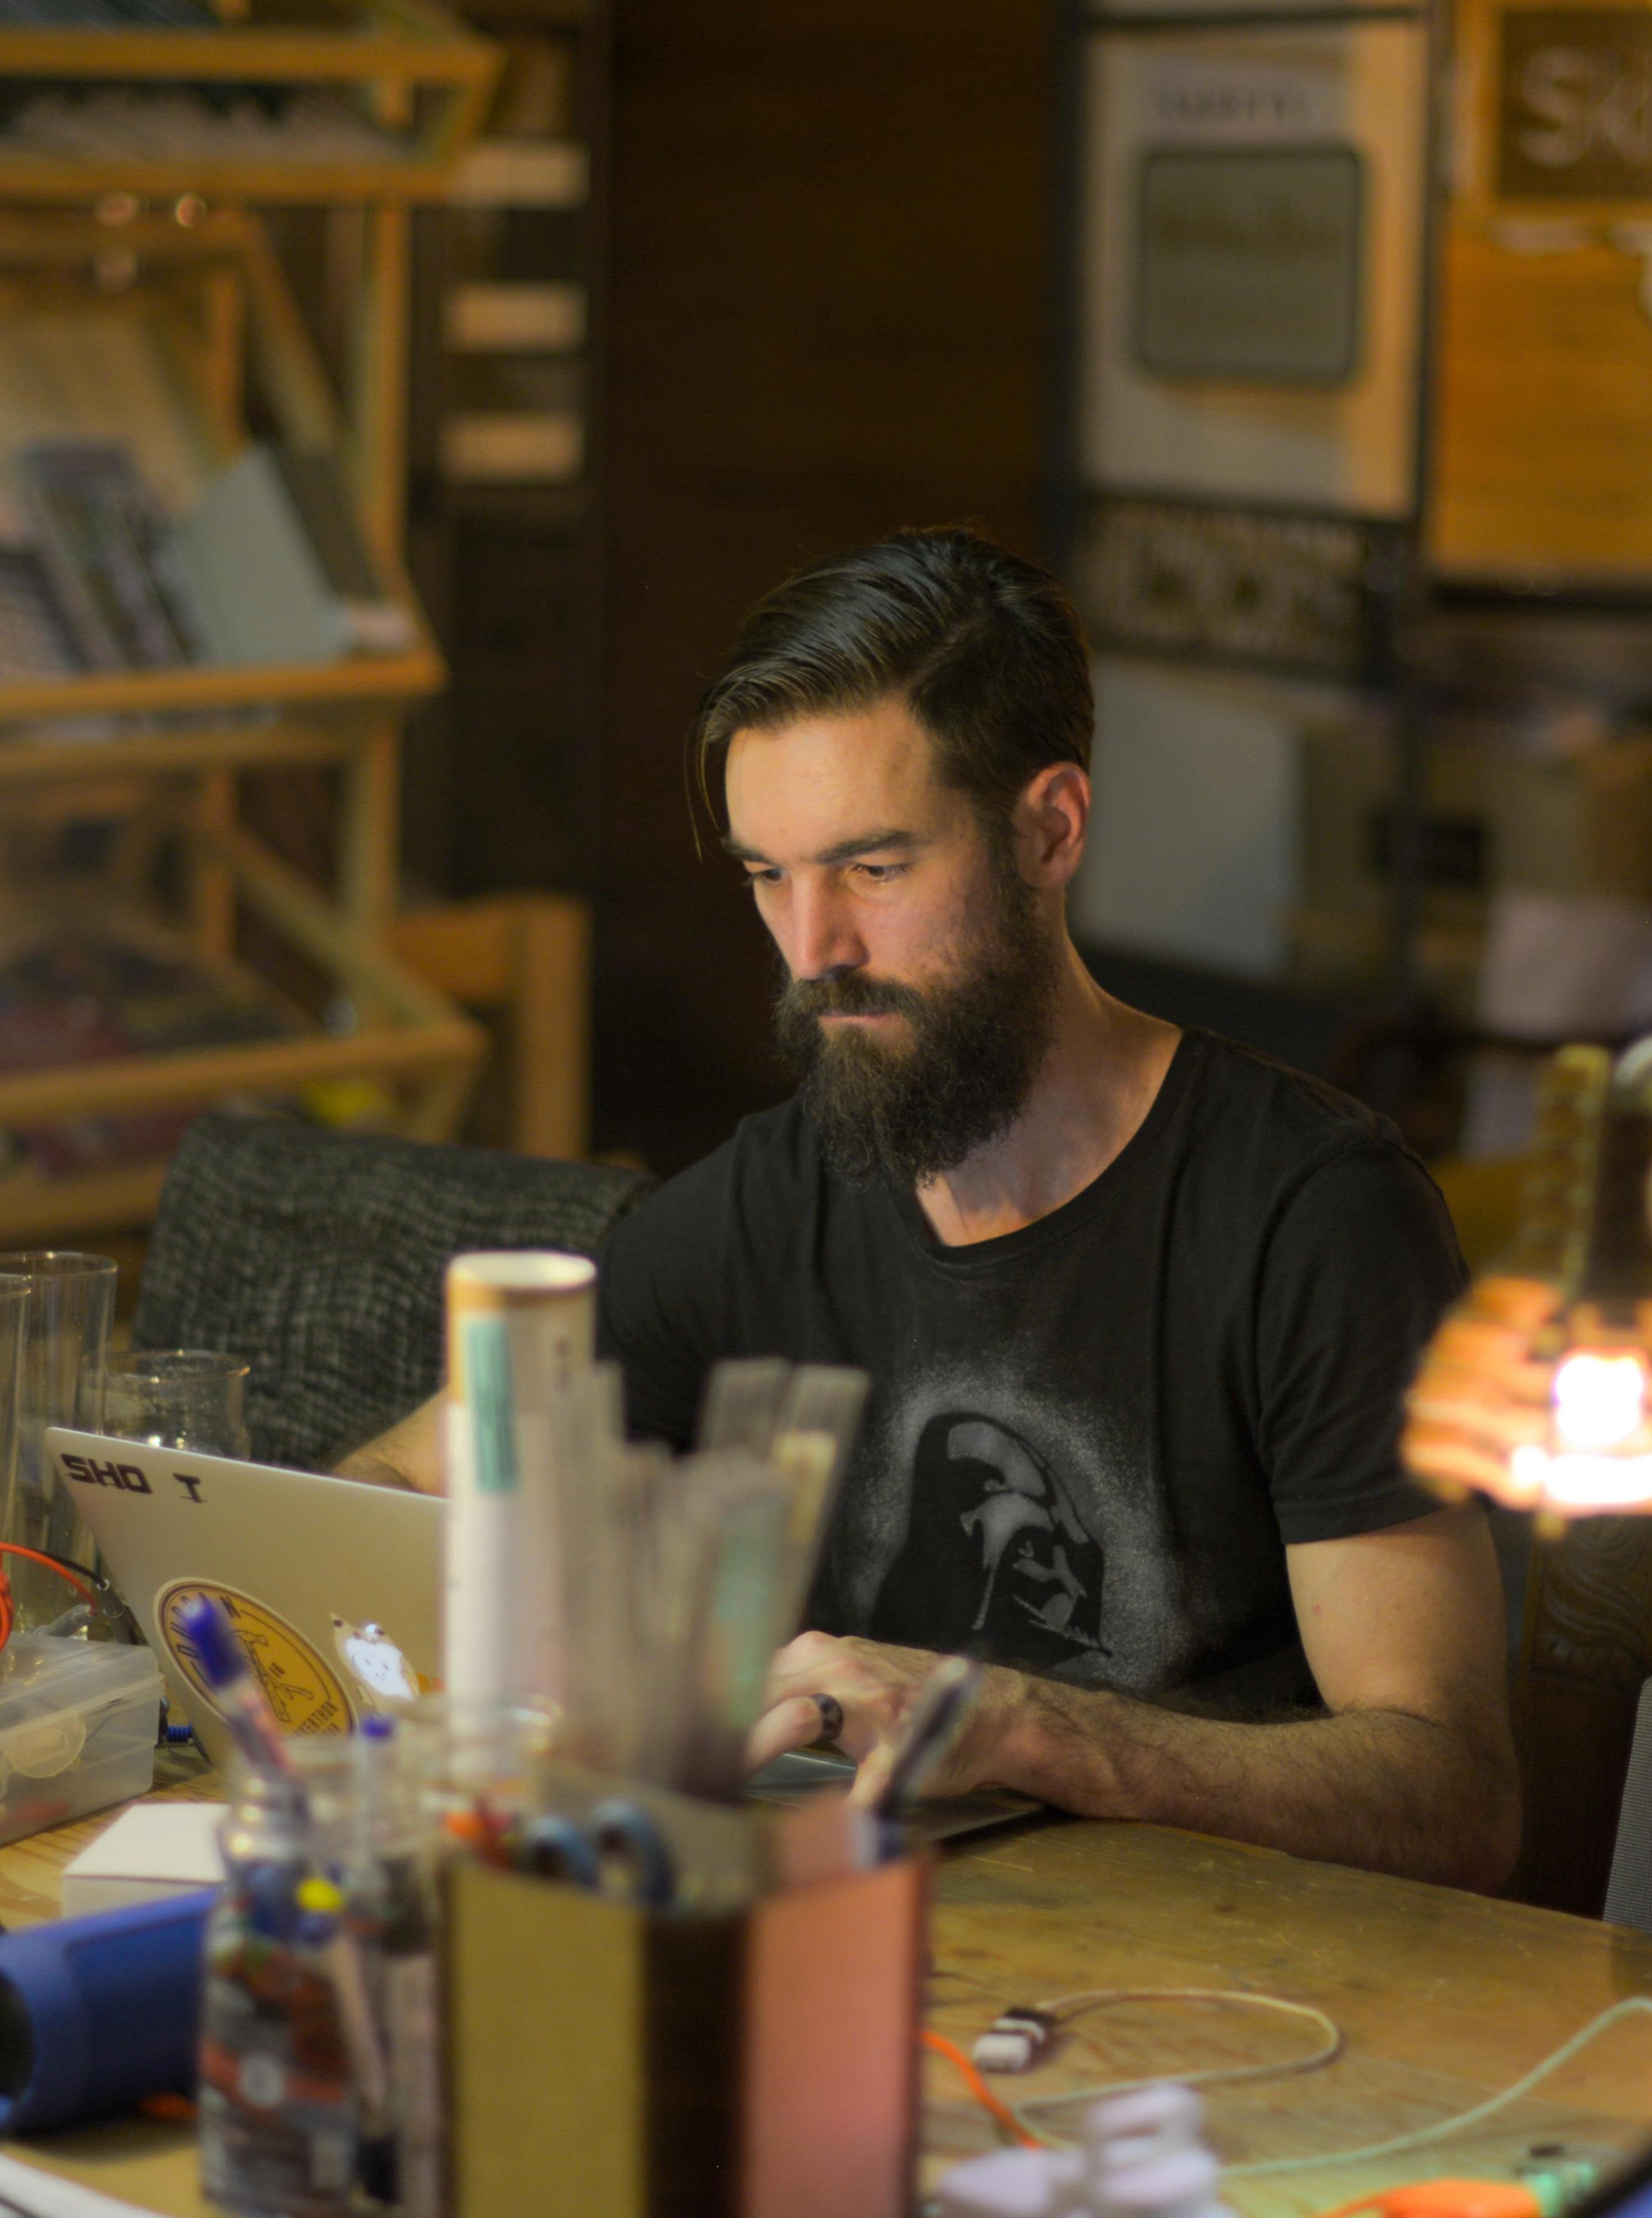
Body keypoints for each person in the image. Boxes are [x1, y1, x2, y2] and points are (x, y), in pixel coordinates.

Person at [343, 530, 1520, 1890]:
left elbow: (1452, 1795)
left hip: (1236, 1988)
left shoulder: (1309, 1213)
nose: (811, 949)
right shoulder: (769, 1200)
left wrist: (1032, 1727)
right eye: (765, 875)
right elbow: (400, 1481)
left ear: (1049, 830)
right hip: (873, 1950)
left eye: (874, 869)